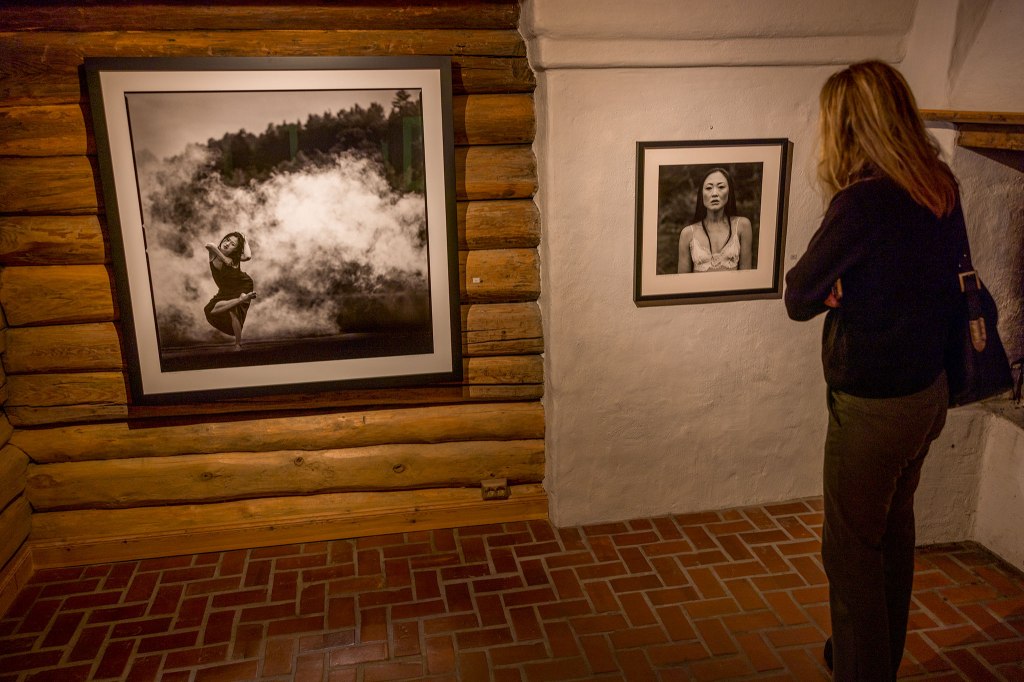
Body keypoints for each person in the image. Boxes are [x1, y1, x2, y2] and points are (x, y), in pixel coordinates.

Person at [785, 61, 962, 680]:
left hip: (874, 407)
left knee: (851, 552)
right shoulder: (938, 185)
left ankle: (861, 669)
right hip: (928, 393)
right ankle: (872, 658)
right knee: (892, 533)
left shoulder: (861, 202)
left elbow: (798, 294)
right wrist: (850, 283)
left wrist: (836, 286)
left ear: (851, 125)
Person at [677, 167, 753, 273]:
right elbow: (682, 281)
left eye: (721, 187)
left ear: (730, 192)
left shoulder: (742, 226)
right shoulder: (688, 233)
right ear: (701, 194)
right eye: (708, 188)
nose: (714, 193)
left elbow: (747, 277)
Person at [203, 231, 256, 349]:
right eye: (227, 240)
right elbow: (209, 245)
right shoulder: (214, 254)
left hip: (242, 284)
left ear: (236, 250)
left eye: (233, 244)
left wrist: (244, 239)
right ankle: (240, 300)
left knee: (233, 312)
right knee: (209, 310)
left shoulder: (235, 258)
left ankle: (238, 344)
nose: (227, 244)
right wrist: (224, 258)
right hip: (225, 290)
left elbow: (248, 256)